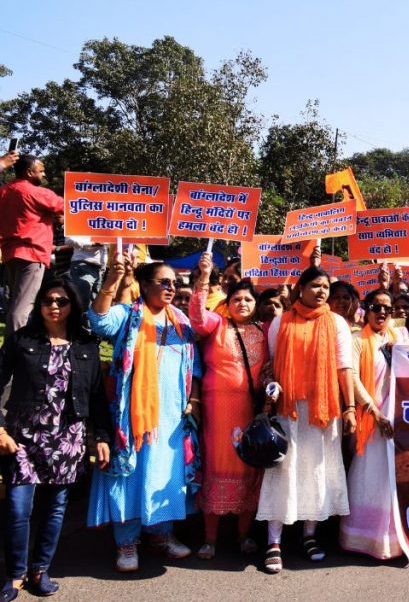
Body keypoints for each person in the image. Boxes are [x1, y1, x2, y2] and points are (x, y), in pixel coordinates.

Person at [86, 255, 201, 572]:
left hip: (172, 417)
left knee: (164, 473)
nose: (171, 287)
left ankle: (161, 534)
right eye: (164, 282)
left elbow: (196, 364)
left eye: (174, 283)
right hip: (132, 415)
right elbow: (98, 322)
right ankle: (126, 542)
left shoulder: (181, 320)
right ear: (144, 285)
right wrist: (112, 280)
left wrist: (193, 399)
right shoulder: (128, 315)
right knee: (131, 474)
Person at [0, 279, 112, 600]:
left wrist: (100, 437)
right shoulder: (23, 340)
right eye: (48, 300)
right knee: (18, 508)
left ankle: (40, 569)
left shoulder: (85, 347)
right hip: (23, 437)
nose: (54, 306)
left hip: (67, 439)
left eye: (61, 301)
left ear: (72, 306)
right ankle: (15, 575)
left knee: (55, 508)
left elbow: (97, 401)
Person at [257, 266, 356, 573]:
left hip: (323, 411)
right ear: (300, 288)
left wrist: (350, 407)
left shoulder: (337, 322)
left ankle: (309, 535)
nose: (321, 291)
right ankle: (274, 541)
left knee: (317, 470)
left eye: (325, 286)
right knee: (284, 470)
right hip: (289, 409)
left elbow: (344, 368)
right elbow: (271, 364)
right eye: (315, 285)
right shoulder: (280, 322)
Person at [188, 253, 266, 559]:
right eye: (237, 299)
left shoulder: (263, 332)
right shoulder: (216, 324)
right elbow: (196, 315)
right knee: (218, 466)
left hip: (251, 411)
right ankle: (209, 538)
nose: (243, 303)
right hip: (218, 411)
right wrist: (204, 278)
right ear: (228, 303)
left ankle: (244, 535)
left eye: (248, 299)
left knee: (248, 465)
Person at [340, 289, 409, 560]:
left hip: (395, 419)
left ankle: (391, 540)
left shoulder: (399, 339)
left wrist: (402, 353)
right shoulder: (357, 340)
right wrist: (374, 412)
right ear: (366, 310)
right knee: (368, 477)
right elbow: (353, 379)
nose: (382, 313)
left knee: (390, 481)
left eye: (387, 309)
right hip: (370, 420)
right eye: (376, 307)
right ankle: (362, 537)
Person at [0, 156, 64, 337]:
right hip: (32, 254)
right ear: (30, 172)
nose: (44, 174)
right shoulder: (38, 193)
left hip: (10, 254)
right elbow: (69, 207)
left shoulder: (4, 191)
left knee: (15, 302)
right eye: (42, 170)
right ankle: (14, 351)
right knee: (22, 306)